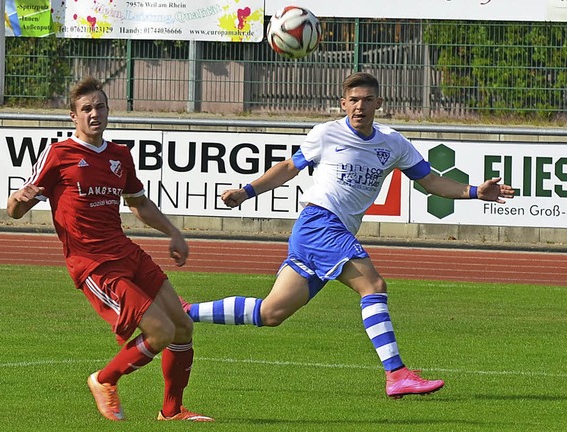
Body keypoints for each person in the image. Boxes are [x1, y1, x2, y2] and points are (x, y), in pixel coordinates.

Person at [183, 72, 516, 399]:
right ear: (343, 103)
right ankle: (397, 374)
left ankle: (183, 312)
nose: (360, 107)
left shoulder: (392, 143)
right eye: (354, 100)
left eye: (367, 100)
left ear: (379, 103)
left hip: (324, 231)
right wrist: (245, 192)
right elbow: (288, 168)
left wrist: (475, 191)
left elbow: (430, 181)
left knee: (271, 313)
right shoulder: (326, 134)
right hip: (320, 223)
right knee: (372, 286)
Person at [6, 76, 213, 422]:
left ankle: (172, 411)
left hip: (126, 252)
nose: (94, 114)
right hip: (93, 264)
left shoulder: (119, 155)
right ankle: (104, 380)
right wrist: (17, 199)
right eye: (86, 108)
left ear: (108, 110)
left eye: (99, 106)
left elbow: (139, 204)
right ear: (73, 116)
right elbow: (15, 209)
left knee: (182, 327)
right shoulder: (60, 154)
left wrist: (174, 233)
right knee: (160, 331)